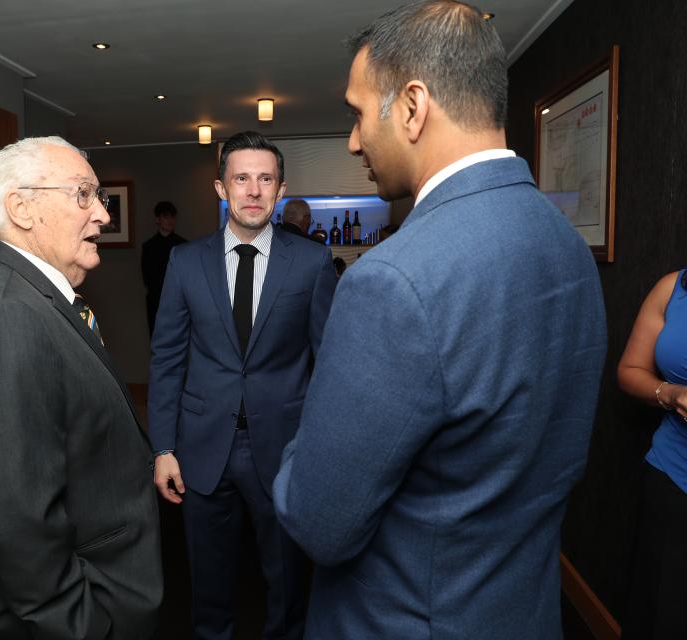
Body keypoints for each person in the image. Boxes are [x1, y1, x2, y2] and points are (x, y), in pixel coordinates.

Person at [272, 3, 608, 639]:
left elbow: (320, 520)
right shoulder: (565, 244)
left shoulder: (391, 281)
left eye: (358, 111)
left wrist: (305, 427)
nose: (352, 140)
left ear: (412, 106)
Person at [0, 136, 162, 639]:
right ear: (22, 208)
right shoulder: (4, 316)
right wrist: (83, 625)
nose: (102, 214)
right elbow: (16, 517)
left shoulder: (32, 298)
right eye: (83, 195)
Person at [148, 131, 336, 640]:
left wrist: (320, 445)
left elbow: (328, 362)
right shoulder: (184, 263)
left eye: (265, 179)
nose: (253, 190)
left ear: (279, 188)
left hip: (284, 448)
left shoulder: (312, 262)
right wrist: (162, 446)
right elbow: (166, 358)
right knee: (208, 586)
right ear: (220, 187)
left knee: (288, 583)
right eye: (241, 178)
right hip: (202, 448)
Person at [618, 269, 687, 638]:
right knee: (659, 615)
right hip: (672, 481)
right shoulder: (672, 287)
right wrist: (671, 394)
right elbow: (630, 370)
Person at [141, 201, 187, 335]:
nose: (170, 221)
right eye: (166, 217)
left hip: (180, 303)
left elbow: (188, 278)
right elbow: (147, 279)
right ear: (158, 220)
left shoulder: (183, 245)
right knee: (156, 338)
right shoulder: (148, 247)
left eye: (172, 217)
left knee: (180, 339)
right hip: (156, 302)